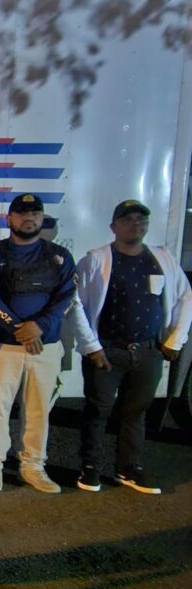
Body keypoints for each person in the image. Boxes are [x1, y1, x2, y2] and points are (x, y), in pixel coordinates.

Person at [68, 199, 192, 494]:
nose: (135, 224)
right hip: (106, 350)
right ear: (114, 227)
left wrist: (175, 339)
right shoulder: (96, 260)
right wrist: (91, 346)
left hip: (149, 351)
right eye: (127, 220)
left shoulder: (163, 259)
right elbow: (76, 304)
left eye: (140, 220)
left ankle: (129, 468)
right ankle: (90, 467)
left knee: (136, 412)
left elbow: (185, 297)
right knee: (98, 410)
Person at [0, 194, 76, 493]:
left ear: (42, 218)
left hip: (45, 345)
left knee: (38, 409)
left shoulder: (59, 256)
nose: (28, 218)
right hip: (3, 345)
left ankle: (33, 466)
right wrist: (19, 329)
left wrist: (38, 327)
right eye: (21, 213)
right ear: (9, 218)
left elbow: (66, 297)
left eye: (35, 213)